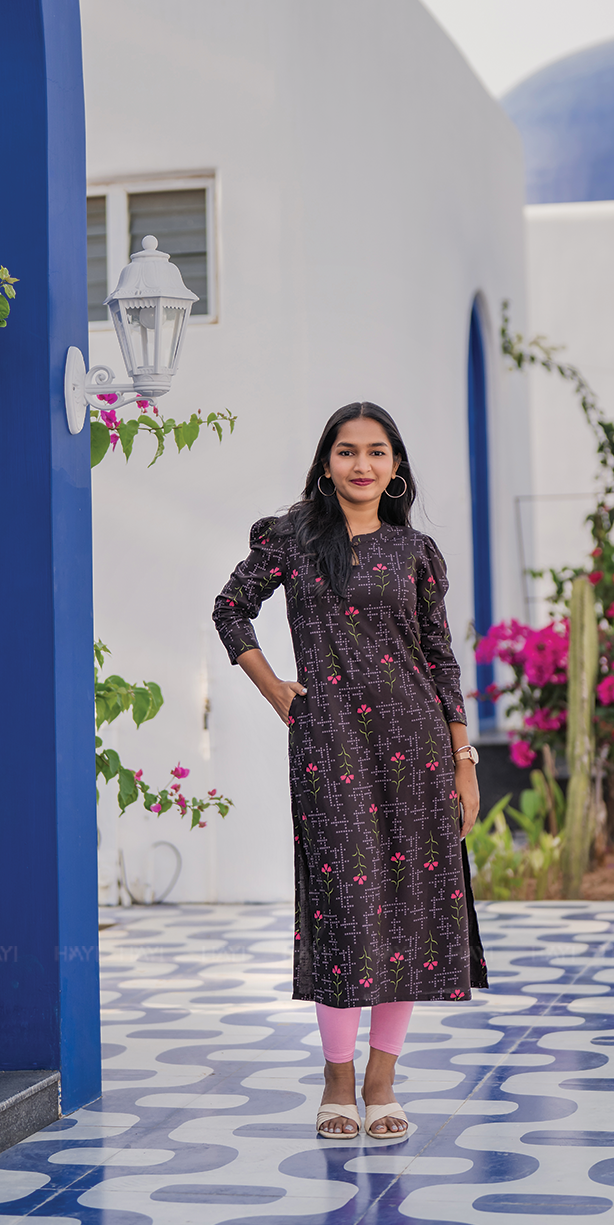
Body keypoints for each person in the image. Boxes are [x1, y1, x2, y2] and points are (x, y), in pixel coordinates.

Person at [212, 401, 488, 1143]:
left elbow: (440, 656)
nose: (361, 465)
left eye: (376, 452)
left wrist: (463, 762)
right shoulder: (292, 540)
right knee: (342, 907)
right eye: (346, 451)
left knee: (408, 910)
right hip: (330, 743)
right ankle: (337, 1079)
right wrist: (276, 690)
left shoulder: (415, 552)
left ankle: (382, 1081)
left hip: (419, 742)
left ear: (395, 467)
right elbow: (231, 610)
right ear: (326, 461)